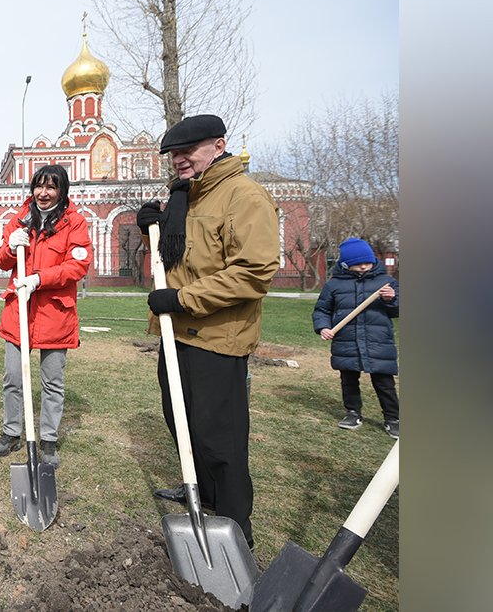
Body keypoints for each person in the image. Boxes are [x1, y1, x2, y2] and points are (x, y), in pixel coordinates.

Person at [135, 114, 279, 550]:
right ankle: (200, 490)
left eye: (187, 151)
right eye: (173, 154)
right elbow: (176, 258)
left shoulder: (243, 195)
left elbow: (253, 272)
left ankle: (236, 527)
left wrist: (181, 300)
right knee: (181, 421)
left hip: (218, 338)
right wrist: (149, 233)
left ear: (218, 146)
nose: (178, 160)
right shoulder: (185, 196)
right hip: (175, 334)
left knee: (221, 437)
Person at [0, 165, 92, 467]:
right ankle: (11, 432)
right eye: (38, 186)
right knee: (12, 378)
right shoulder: (19, 220)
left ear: (62, 191)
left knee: (52, 382)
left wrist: (38, 279)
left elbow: (77, 267)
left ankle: (47, 439)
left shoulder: (75, 223)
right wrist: (10, 246)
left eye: (51, 187)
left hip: (54, 313)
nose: (43, 193)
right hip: (18, 311)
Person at [312, 238, 400, 439]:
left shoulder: (386, 282)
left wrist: (390, 299)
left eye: (367, 262)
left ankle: (393, 418)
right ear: (346, 264)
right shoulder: (334, 285)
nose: (363, 266)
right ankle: (353, 413)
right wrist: (323, 327)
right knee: (349, 379)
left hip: (378, 341)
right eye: (358, 263)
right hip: (346, 339)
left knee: (384, 381)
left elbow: (397, 311)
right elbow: (322, 309)